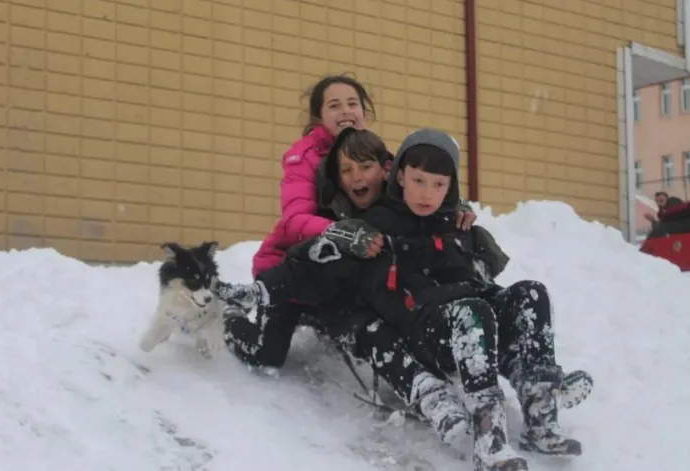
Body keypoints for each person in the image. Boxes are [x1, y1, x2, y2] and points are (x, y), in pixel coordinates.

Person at [215, 128, 591, 471]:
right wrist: (260, 291)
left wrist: (473, 238)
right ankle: (489, 444)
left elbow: (487, 270)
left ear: (451, 187)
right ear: (399, 177)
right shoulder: (376, 227)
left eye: (438, 184)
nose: (427, 193)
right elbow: (313, 263)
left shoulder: (454, 222)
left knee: (531, 293)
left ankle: (541, 414)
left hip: (473, 317)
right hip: (427, 328)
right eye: (418, 181)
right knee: (472, 313)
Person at [222, 74, 479, 449]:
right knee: (267, 357)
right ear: (317, 117)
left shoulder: (381, 155)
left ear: (365, 111)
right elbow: (294, 221)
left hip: (353, 265)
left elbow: (420, 188)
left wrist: (454, 208)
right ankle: (232, 318)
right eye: (334, 105)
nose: (346, 111)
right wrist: (342, 232)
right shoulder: (304, 158)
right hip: (295, 265)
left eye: (352, 103)